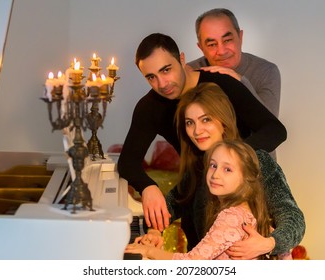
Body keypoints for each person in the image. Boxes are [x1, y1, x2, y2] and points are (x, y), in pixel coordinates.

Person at [118, 33, 287, 237]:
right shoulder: (150, 107)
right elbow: (128, 162)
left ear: (181, 59)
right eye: (151, 77)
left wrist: (232, 158)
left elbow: (275, 129)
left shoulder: (222, 84)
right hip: (197, 203)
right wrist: (147, 188)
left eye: (166, 70)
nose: (162, 83)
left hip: (244, 202)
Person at [135, 83, 304, 259]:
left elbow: (293, 217)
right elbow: (172, 204)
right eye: (190, 123)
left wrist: (268, 243)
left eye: (206, 119)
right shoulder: (201, 165)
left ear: (223, 121)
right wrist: (155, 231)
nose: (197, 131)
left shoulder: (256, 160)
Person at [125, 139, 291, 260]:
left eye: (227, 169)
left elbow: (192, 264)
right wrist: (154, 231)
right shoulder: (252, 209)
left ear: (246, 178)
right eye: (213, 165)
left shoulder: (232, 217)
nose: (216, 174)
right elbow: (285, 254)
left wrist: (148, 252)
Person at [188, 8, 281, 117]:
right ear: (201, 48)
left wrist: (240, 81)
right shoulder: (190, 72)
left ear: (240, 37)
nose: (222, 51)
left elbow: (271, 126)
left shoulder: (266, 71)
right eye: (212, 44)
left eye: (227, 40)